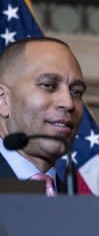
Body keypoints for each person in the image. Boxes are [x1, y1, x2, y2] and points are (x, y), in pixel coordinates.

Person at [0, 37, 85, 191]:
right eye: (48, 85)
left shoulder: (76, 203)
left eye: (76, 92)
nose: (68, 103)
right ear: (3, 100)